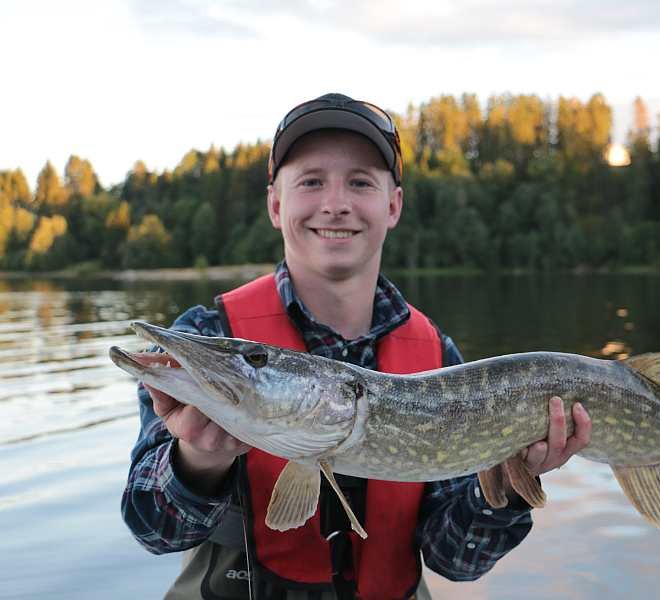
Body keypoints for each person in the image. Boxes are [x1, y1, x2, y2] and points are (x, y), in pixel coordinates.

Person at [121, 93, 593, 600]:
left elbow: (456, 560)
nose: (336, 203)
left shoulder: (435, 357)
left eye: (360, 182)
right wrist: (197, 459)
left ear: (393, 206)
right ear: (276, 204)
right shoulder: (207, 328)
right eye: (311, 181)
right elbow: (153, 530)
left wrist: (503, 485)